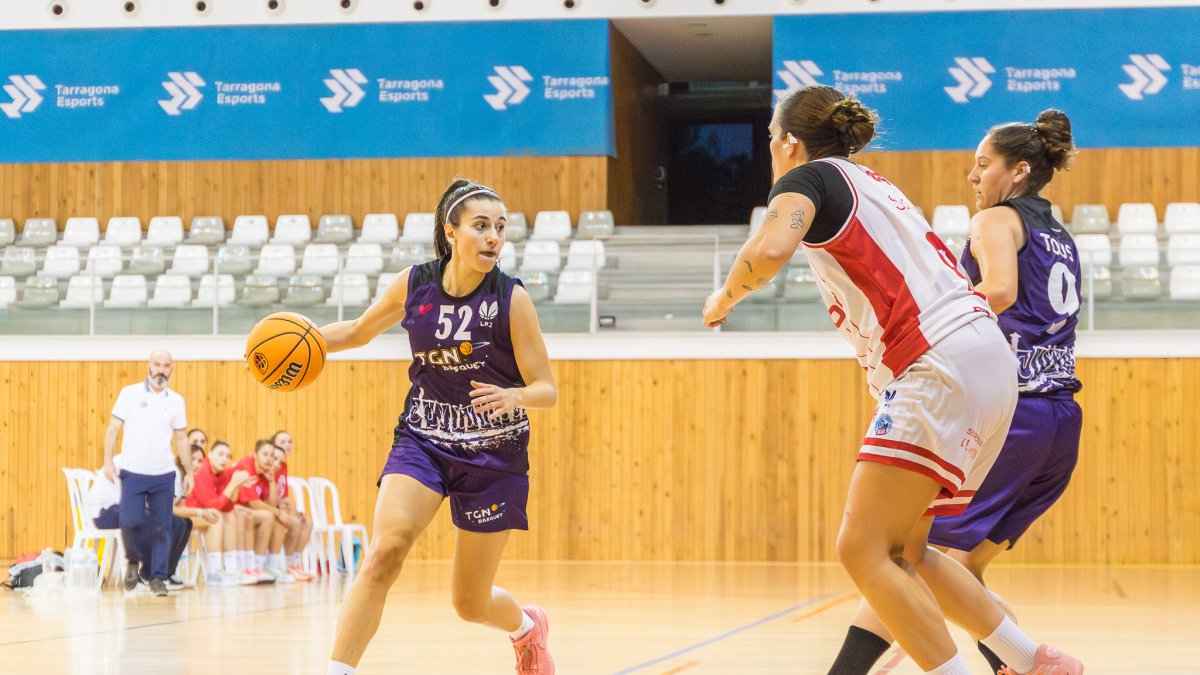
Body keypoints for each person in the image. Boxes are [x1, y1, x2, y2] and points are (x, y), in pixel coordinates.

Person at [701, 85, 1083, 675]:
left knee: (863, 549)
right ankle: (1033, 661)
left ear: (789, 143)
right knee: (912, 552)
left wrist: (724, 297)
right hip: (990, 362)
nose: (772, 150)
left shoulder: (808, 178)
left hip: (937, 360)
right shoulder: (876, 184)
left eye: (772, 139)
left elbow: (771, 248)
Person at [827, 110, 1084, 674]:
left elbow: (1000, 290)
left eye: (983, 164)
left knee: (898, 555)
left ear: (1019, 171)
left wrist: (935, 316)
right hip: (1060, 419)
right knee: (959, 567)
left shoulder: (995, 220)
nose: (972, 176)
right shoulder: (1059, 235)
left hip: (1013, 411)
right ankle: (1027, 661)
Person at [321, 179, 558, 675]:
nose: (494, 237)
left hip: (493, 455)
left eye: (500, 228)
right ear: (451, 232)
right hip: (424, 440)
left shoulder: (511, 299)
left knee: (469, 604)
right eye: (481, 226)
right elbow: (358, 331)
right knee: (384, 552)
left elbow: (546, 388)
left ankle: (526, 628)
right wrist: (295, 340)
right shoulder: (415, 284)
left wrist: (515, 395)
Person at [102, 350, 193, 597]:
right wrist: (107, 460)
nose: (161, 370)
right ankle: (133, 559)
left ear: (172, 369)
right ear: (148, 366)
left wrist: (189, 472)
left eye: (166, 365)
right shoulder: (129, 393)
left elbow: (182, 438)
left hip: (163, 474)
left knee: (162, 527)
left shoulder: (176, 401)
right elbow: (113, 428)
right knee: (130, 520)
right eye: (157, 364)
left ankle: (157, 578)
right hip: (133, 471)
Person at [186, 440, 258, 585]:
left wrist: (236, 486)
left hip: (203, 514)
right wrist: (233, 483)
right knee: (216, 518)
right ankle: (214, 573)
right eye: (221, 454)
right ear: (210, 455)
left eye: (228, 456)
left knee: (230, 516)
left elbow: (227, 507)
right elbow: (213, 505)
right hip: (185, 515)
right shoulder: (202, 472)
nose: (225, 459)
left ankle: (231, 570)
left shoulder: (222, 473)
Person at [231, 440, 295, 582]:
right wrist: (278, 512)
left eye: (271, 455)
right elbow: (253, 503)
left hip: (248, 511)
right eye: (265, 454)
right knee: (268, 516)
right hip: (233, 510)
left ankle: (271, 566)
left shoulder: (265, 471)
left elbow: (270, 503)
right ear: (255, 455)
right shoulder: (246, 467)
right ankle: (256, 566)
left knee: (278, 520)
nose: (269, 459)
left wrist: (271, 481)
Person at [270, 430, 314, 581]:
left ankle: (295, 562)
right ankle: (288, 565)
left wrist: (294, 510)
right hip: (271, 508)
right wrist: (283, 507)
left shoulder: (283, 465)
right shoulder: (270, 465)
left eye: (289, 441)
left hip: (280, 507)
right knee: (294, 522)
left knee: (307, 521)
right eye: (282, 442)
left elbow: (284, 496)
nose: (287, 445)